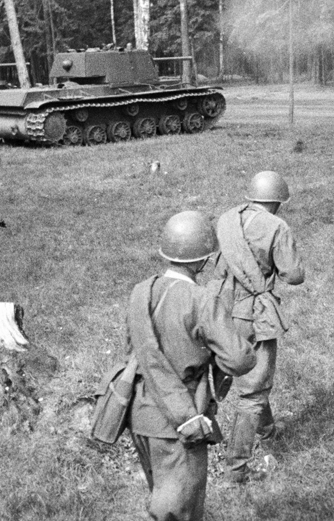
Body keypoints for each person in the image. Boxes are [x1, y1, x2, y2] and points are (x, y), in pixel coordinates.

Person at [125, 211, 256, 521]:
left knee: (161, 494)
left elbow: (135, 348)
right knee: (179, 510)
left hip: (140, 413)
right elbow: (239, 359)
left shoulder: (140, 291)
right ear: (202, 261)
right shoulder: (202, 299)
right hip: (182, 419)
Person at [213, 170, 305, 483]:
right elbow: (293, 275)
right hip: (252, 314)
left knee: (237, 375)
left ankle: (266, 430)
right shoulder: (277, 226)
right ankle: (237, 468)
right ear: (277, 202)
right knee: (253, 389)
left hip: (218, 308)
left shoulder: (227, 218)